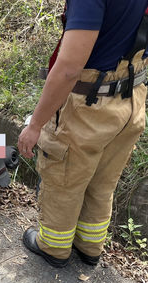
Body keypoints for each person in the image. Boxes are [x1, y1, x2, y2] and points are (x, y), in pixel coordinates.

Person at [18, 0, 148, 268]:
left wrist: (35, 125)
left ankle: (53, 247)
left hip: (90, 105)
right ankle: (89, 246)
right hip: (132, 100)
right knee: (103, 180)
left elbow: (69, 69)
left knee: (65, 180)